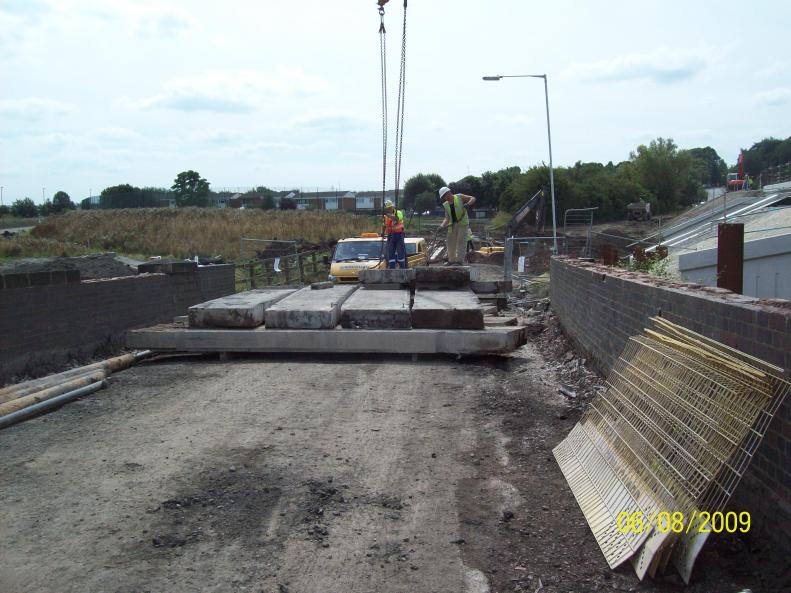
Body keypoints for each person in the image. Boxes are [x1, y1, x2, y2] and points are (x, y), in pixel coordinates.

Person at [438, 186, 476, 265]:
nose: (446, 197)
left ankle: (459, 261)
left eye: (446, 195)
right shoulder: (445, 205)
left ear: (449, 192)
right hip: (452, 225)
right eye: (444, 196)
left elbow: (473, 198)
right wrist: (441, 226)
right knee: (450, 243)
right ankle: (451, 261)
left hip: (463, 224)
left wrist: (468, 204)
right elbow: (447, 218)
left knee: (461, 242)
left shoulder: (459, 197)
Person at [383, 199, 406, 269]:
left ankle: (402, 268)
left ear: (393, 207)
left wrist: (388, 215)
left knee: (400, 252)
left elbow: (396, 219)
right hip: (390, 236)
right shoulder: (386, 216)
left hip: (399, 235)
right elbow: (384, 225)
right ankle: (392, 268)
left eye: (390, 207)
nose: (389, 209)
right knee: (391, 252)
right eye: (388, 208)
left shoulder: (398, 212)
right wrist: (382, 232)